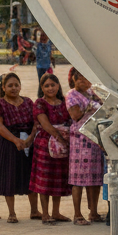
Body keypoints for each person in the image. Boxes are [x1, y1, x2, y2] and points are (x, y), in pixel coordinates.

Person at [0, 71, 37, 224]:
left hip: (28, 140)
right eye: (10, 85)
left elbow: (36, 122)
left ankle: (34, 210)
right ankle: (12, 212)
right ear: (3, 87)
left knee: (30, 175)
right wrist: (15, 140)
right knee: (9, 176)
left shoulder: (28, 102)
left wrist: (30, 138)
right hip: (8, 141)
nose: (13, 88)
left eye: (16, 85)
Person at [29, 72, 72, 224]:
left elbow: (69, 120)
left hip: (61, 146)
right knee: (44, 180)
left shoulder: (63, 103)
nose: (50, 88)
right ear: (42, 88)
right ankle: (45, 213)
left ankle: (56, 212)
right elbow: (45, 124)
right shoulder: (39, 103)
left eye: (52, 85)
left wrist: (64, 140)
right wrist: (60, 137)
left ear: (58, 85)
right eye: (46, 86)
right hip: (45, 144)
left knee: (57, 179)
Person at [65, 68, 104, 226]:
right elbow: (75, 115)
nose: (82, 80)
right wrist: (88, 108)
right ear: (74, 80)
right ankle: (77, 213)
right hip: (80, 140)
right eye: (79, 78)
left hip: (95, 138)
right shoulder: (71, 95)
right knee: (78, 178)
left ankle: (93, 212)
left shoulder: (92, 92)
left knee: (95, 177)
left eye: (85, 77)